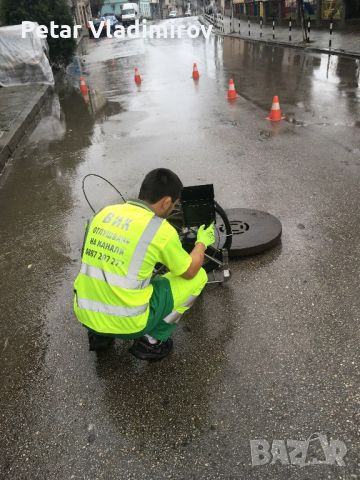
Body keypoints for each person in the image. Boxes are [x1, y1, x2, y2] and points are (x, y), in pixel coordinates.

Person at [73, 168, 215, 360]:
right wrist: (201, 243)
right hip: (130, 323)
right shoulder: (159, 229)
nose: (173, 208)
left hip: (85, 314)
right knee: (199, 277)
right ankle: (151, 342)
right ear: (166, 201)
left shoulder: (102, 213)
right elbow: (190, 271)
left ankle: (99, 337)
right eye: (174, 205)